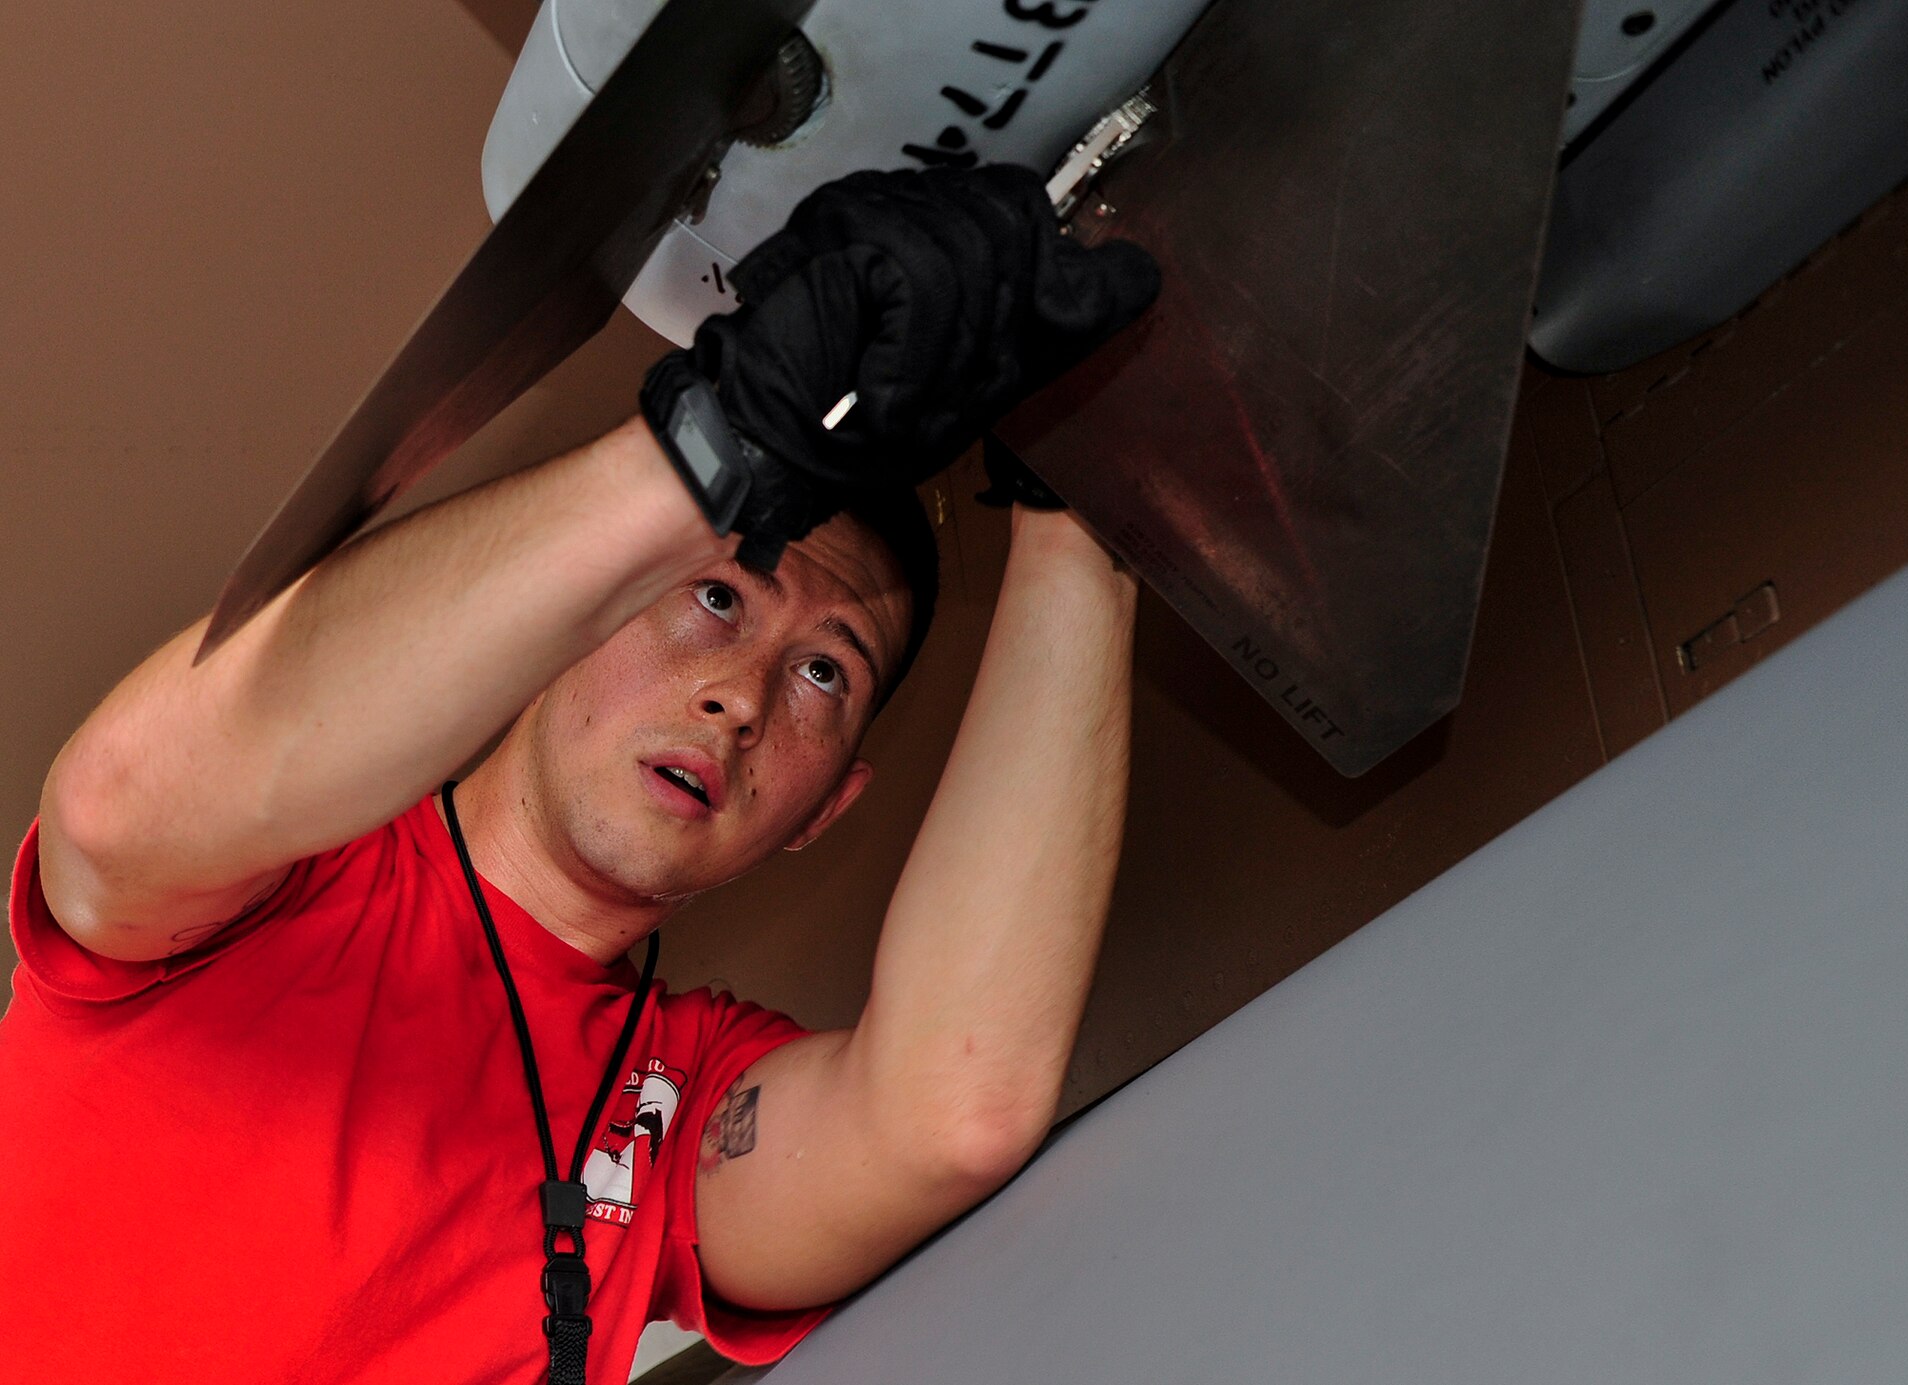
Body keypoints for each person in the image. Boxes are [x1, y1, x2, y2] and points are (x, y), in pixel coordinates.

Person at [0, 166, 1159, 1382]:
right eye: (716, 597)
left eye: (826, 673)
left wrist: (1080, 509)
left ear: (829, 809)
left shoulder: (674, 1098)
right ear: (569, 618)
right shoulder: (279, 879)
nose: (743, 697)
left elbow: (947, 1113)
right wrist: (709, 447)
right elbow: (117, 802)